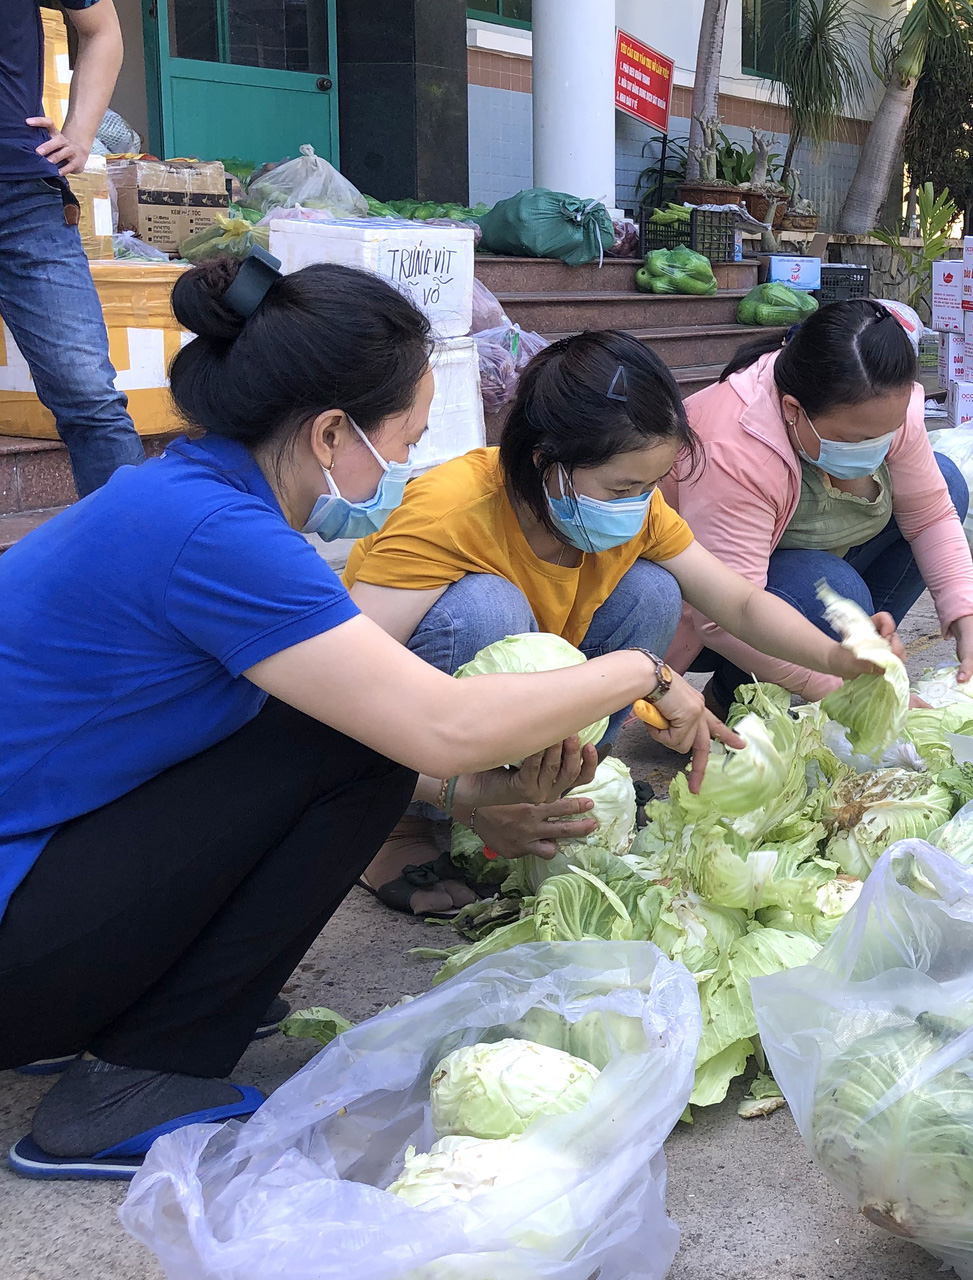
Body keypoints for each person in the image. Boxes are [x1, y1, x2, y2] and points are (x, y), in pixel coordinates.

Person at [0, 258, 872, 1178]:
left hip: (44, 886)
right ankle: (136, 1078)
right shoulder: (218, 535)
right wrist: (638, 671)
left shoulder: (192, 497)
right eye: (405, 437)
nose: (411, 461)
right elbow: (437, 727)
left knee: (334, 727)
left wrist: (473, 796)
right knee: (357, 741)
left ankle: (137, 998)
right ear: (333, 430)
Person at [345, 329, 883, 915]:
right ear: (544, 462)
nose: (642, 502)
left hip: (525, 703)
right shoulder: (450, 512)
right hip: (422, 730)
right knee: (488, 608)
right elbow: (349, 691)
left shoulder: (628, 508)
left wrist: (835, 657)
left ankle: (567, 782)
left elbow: (740, 602)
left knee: (653, 590)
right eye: (624, 487)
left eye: (652, 484)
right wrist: (463, 797)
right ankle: (399, 826)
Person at [669, 299, 973, 711]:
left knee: (947, 481)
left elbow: (930, 515)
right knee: (833, 590)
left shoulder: (883, 404)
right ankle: (735, 690)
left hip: (786, 571)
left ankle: (866, 661)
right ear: (793, 410)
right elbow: (725, 615)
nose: (876, 450)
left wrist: (970, 627)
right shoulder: (732, 447)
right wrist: (843, 691)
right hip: (710, 610)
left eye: (887, 435)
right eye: (853, 440)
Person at [2, 0, 145, 496]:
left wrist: (81, 135)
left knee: (89, 398)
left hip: (22, 200)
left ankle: (133, 565)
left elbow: (103, 28)